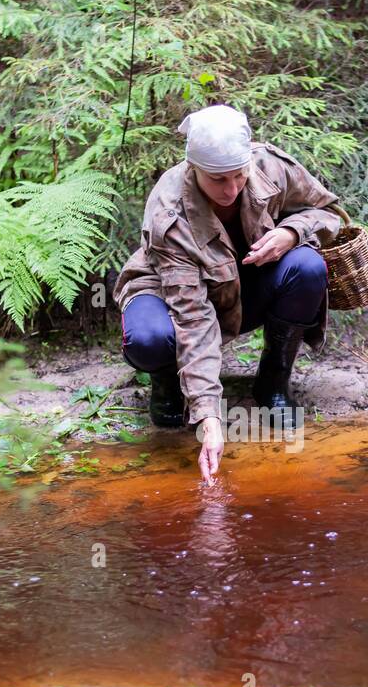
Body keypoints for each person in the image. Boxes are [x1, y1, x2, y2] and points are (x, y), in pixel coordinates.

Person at [112, 104, 344, 483]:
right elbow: (192, 316)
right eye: (218, 179)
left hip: (243, 284)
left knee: (307, 267)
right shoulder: (169, 210)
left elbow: (331, 213)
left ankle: (273, 380)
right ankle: (167, 382)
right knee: (151, 338)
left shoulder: (269, 166)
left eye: (239, 176)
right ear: (194, 169)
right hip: (167, 295)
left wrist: (291, 233)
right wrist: (210, 417)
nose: (231, 189)